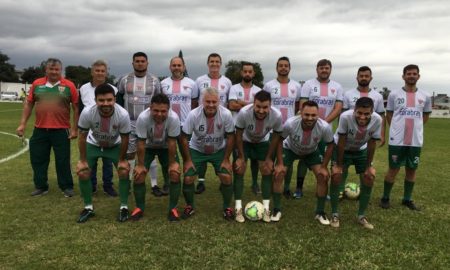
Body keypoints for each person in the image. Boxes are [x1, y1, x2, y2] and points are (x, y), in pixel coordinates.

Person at [16, 58, 78, 197]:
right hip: (40, 130)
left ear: (60, 70)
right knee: (38, 159)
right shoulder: (37, 84)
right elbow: (29, 104)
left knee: (62, 160)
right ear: (46, 70)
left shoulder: (69, 85)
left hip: (61, 130)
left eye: (57, 69)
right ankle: (41, 186)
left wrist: (75, 129)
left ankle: (66, 186)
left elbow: (76, 107)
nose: (54, 72)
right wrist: (22, 124)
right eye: (51, 69)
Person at [76, 84, 131, 223]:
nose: (105, 103)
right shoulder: (88, 112)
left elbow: (125, 138)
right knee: (83, 171)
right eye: (101, 100)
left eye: (109, 100)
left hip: (114, 145)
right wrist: (82, 160)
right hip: (93, 144)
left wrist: (123, 159)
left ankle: (124, 207)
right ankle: (88, 207)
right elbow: (82, 136)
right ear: (95, 100)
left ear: (114, 100)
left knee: (124, 170)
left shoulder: (123, 114)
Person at [380, 64, 431, 211]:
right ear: (403, 76)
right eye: (408, 73)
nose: (411, 76)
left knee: (411, 169)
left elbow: (425, 116)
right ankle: (385, 197)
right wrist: (396, 128)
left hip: (415, 140)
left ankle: (407, 199)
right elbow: (389, 114)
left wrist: (416, 128)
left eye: (414, 73)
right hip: (397, 140)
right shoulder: (394, 95)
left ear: (418, 76)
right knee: (393, 168)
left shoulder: (425, 96)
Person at [179, 87, 235, 220]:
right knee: (188, 178)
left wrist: (226, 159)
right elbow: (184, 137)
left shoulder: (226, 114)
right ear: (202, 102)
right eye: (207, 101)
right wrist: (187, 160)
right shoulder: (193, 114)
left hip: (218, 150)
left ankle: (227, 207)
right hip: (197, 150)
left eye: (214, 102)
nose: (211, 105)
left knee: (226, 177)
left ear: (219, 102)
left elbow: (231, 137)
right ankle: (189, 206)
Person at [276, 101, 334, 224]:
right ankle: (276, 209)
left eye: (313, 115)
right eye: (306, 114)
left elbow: (330, 145)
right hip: (290, 149)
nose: (310, 118)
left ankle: (320, 212)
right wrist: (280, 163)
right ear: (300, 113)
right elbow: (279, 140)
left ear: (318, 115)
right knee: (279, 173)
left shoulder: (324, 127)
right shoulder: (290, 124)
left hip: (311, 151)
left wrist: (324, 166)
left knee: (323, 177)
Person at [330, 97, 382, 229]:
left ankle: (361, 216)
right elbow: (341, 141)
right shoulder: (345, 117)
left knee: (369, 178)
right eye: (359, 113)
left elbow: (371, 143)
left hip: (361, 150)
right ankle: (335, 214)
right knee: (336, 176)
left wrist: (368, 166)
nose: (362, 117)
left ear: (372, 112)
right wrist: (339, 165)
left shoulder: (377, 120)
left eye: (366, 114)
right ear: (354, 110)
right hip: (342, 148)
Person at [295, 59, 343, 199]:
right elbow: (303, 106)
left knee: (325, 160)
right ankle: (298, 188)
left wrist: (322, 123)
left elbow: (338, 108)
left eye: (326, 68)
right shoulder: (308, 85)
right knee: (304, 159)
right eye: (321, 68)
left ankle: (322, 189)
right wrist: (314, 122)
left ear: (330, 70)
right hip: (308, 129)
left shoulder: (337, 87)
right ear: (317, 69)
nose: (324, 70)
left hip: (325, 130)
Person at [117, 52, 163, 196]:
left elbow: (159, 100)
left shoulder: (155, 80)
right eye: (137, 61)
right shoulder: (124, 79)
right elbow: (118, 99)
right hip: (129, 122)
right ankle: (130, 182)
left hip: (149, 122)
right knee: (129, 154)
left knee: (150, 152)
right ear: (133, 63)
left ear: (147, 63)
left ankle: (154, 184)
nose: (140, 63)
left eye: (143, 61)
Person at [131, 94, 182, 222]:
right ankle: (139, 208)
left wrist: (172, 164)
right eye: (156, 110)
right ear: (150, 108)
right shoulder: (143, 118)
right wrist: (141, 165)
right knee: (139, 174)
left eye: (163, 111)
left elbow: (171, 143)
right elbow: (141, 143)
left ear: (168, 109)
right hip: (148, 146)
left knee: (174, 173)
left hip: (166, 146)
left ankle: (173, 208)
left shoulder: (174, 118)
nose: (159, 114)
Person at [234, 91, 282, 222]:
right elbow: (237, 134)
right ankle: (237, 207)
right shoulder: (244, 113)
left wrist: (268, 158)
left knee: (266, 169)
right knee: (240, 169)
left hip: (262, 142)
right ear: (253, 104)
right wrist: (241, 157)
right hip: (245, 141)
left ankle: (266, 208)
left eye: (265, 107)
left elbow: (276, 137)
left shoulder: (277, 116)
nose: (261, 110)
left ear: (270, 105)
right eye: (258, 106)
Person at [340, 66, 386, 198]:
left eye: (366, 76)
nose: (364, 78)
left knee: (365, 167)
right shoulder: (348, 94)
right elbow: (343, 115)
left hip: (366, 139)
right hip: (349, 137)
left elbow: (381, 117)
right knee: (343, 167)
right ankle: (340, 191)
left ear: (371, 78)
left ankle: (363, 192)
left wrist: (382, 134)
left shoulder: (377, 96)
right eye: (361, 76)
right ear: (357, 78)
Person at [263, 56, 302, 198]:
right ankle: (270, 185)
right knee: (270, 158)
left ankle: (285, 187)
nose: (283, 68)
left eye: (286, 65)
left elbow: (297, 105)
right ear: (277, 68)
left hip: (289, 128)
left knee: (287, 161)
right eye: (281, 65)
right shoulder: (269, 86)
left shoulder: (297, 86)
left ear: (289, 68)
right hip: (272, 128)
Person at [194, 53, 232, 194]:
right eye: (212, 61)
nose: (214, 64)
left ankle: (223, 181)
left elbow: (227, 102)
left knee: (220, 149)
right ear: (208, 63)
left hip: (220, 122)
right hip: (202, 120)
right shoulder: (199, 80)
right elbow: (195, 101)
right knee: (201, 148)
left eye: (217, 61)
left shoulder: (227, 82)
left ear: (220, 64)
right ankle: (201, 181)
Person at [78, 59, 117, 196]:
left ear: (106, 73)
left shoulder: (113, 89)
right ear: (92, 72)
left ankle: (108, 186)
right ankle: (92, 184)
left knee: (107, 159)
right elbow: (80, 108)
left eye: (102, 71)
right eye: (97, 70)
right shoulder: (83, 88)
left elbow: (116, 109)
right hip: (89, 127)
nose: (100, 73)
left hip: (107, 128)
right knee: (91, 159)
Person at [228, 61, 262, 194]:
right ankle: (235, 183)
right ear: (241, 73)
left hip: (254, 129)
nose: (247, 73)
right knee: (238, 158)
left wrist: (240, 103)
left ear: (253, 73)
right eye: (245, 71)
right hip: (238, 129)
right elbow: (231, 105)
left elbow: (260, 108)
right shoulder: (234, 88)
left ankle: (254, 183)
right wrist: (252, 104)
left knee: (254, 159)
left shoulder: (259, 90)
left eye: (250, 71)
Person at [160, 56, 198, 126]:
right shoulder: (163, 83)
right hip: (167, 124)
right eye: (174, 65)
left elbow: (194, 104)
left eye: (179, 65)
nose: (176, 67)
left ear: (184, 67)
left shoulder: (192, 83)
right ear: (170, 67)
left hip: (186, 125)